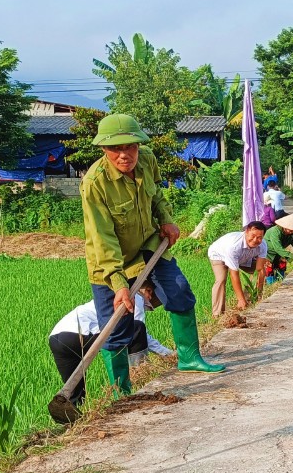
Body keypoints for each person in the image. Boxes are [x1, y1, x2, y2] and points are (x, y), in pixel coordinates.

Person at [81, 113, 224, 394]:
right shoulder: (94, 184)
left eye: (130, 146)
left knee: (179, 290)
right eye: (116, 149)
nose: (125, 155)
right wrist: (120, 284)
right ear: (104, 150)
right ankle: (121, 390)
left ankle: (189, 357)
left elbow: (155, 194)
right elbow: (102, 237)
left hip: (148, 244)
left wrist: (166, 218)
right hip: (109, 262)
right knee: (116, 323)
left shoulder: (146, 159)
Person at [48, 286, 174, 404]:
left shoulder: (109, 298)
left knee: (75, 393)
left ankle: (71, 423)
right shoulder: (136, 297)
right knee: (136, 328)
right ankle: (141, 379)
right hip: (81, 334)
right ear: (149, 292)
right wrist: (168, 354)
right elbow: (137, 331)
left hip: (56, 338)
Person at [207, 220, 270, 316]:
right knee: (221, 280)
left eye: (259, 237)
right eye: (252, 236)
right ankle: (218, 314)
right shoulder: (233, 246)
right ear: (246, 232)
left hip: (242, 257)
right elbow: (234, 275)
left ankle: (249, 298)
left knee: (262, 269)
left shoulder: (263, 245)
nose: (255, 240)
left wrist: (259, 292)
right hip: (218, 255)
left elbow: (259, 269)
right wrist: (240, 300)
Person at [264, 213, 293, 281]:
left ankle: (280, 281)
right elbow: (278, 248)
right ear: (284, 226)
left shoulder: (292, 234)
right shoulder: (275, 232)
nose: (291, 232)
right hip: (268, 253)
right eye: (290, 230)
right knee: (269, 269)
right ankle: (271, 284)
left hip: (280, 253)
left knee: (281, 265)